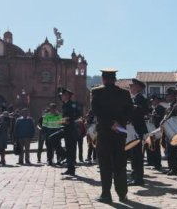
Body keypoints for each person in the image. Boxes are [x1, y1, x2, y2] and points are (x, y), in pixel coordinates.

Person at [91, 68, 133, 203]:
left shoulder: (96, 92)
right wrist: (118, 123)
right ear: (115, 79)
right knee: (120, 163)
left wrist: (110, 123)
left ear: (103, 79)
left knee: (105, 164)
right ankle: (122, 194)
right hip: (120, 131)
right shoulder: (125, 93)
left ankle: (106, 194)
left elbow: (96, 112)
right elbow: (130, 112)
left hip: (104, 132)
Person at [128, 78, 148, 186]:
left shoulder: (141, 98)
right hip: (132, 129)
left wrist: (134, 107)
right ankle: (134, 176)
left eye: (133, 86)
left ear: (138, 87)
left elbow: (144, 110)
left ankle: (138, 178)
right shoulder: (134, 99)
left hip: (138, 129)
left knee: (137, 155)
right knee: (133, 154)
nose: (131, 87)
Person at [59, 87, 81, 175]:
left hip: (71, 129)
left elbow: (79, 114)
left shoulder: (73, 104)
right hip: (65, 128)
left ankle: (70, 169)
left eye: (63, 95)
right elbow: (64, 117)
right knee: (52, 139)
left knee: (71, 149)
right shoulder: (64, 104)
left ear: (67, 96)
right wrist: (62, 121)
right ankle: (64, 155)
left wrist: (70, 119)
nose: (61, 97)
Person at [162, 88, 177, 176]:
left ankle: (175, 169)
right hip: (168, 131)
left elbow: (172, 117)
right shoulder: (170, 106)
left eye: (168, 95)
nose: (166, 97)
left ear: (173, 96)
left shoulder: (176, 106)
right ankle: (171, 168)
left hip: (174, 131)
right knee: (169, 151)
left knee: (173, 151)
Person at [148, 95, 165, 171]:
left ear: (157, 100)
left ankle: (158, 164)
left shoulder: (160, 108)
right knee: (154, 147)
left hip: (158, 129)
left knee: (157, 148)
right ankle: (155, 163)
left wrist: (152, 116)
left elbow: (160, 118)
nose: (152, 102)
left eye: (153, 100)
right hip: (154, 129)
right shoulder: (155, 108)